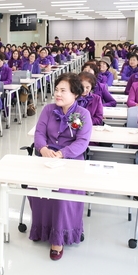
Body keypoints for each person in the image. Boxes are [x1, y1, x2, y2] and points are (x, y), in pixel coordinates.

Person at [32, 73, 92, 260]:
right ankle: (42, 229)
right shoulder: (48, 110)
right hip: (47, 158)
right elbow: (39, 133)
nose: (57, 94)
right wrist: (43, 149)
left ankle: (59, 238)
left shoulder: (83, 114)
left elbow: (82, 142)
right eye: (56, 90)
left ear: (75, 93)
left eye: (63, 90)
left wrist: (62, 153)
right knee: (36, 187)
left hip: (71, 160)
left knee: (62, 191)